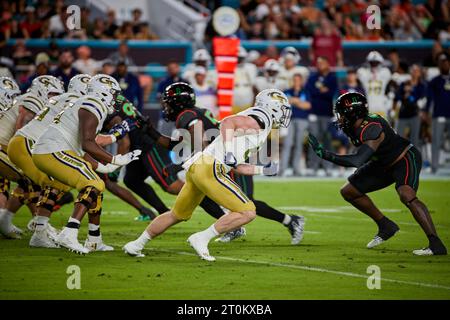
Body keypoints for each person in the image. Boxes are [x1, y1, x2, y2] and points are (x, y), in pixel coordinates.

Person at [123, 88, 299, 260]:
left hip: (199, 166)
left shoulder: (257, 120)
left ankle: (136, 244)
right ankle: (202, 237)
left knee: (176, 215)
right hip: (210, 168)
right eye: (282, 109)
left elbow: (237, 166)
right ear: (272, 107)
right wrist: (229, 152)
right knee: (248, 212)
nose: (284, 114)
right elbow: (229, 122)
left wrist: (263, 170)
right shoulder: (262, 118)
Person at [308, 92, 447, 256]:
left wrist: (325, 155)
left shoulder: (371, 128)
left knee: (406, 194)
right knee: (349, 191)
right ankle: (385, 225)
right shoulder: (354, 125)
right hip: (382, 162)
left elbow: (356, 160)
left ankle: (436, 244)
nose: (339, 119)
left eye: (342, 114)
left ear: (353, 113)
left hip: (404, 158)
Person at [32, 74, 141, 254]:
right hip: (53, 150)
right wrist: (114, 159)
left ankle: (91, 238)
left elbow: (83, 151)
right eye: (113, 94)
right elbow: (88, 143)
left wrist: (107, 167)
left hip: (50, 150)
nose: (115, 99)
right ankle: (69, 233)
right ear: (104, 92)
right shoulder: (94, 103)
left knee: (92, 181)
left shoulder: (83, 102)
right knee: (94, 184)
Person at [305, 56, 338, 174]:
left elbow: (331, 93)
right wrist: (322, 91)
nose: (319, 65)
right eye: (318, 63)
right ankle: (312, 167)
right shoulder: (313, 77)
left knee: (327, 140)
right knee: (314, 140)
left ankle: (328, 167)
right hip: (314, 113)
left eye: (322, 63)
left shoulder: (332, 78)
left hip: (327, 114)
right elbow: (309, 91)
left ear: (327, 64)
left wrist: (320, 92)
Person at [280, 73, 311, 176]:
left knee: (299, 144)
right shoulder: (287, 91)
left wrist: (294, 101)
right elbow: (283, 104)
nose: (296, 82)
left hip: (302, 120)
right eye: (294, 80)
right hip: (289, 120)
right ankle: (282, 169)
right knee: (287, 144)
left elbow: (307, 106)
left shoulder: (305, 91)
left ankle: (296, 169)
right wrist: (299, 102)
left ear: (301, 81)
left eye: (298, 80)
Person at [425, 52, 450, 174]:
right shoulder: (434, 81)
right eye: (442, 63)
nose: (444, 64)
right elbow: (429, 99)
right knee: (436, 141)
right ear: (439, 65)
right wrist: (426, 112)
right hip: (439, 114)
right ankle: (434, 167)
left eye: (446, 62)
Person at [394, 65, 426, 148]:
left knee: (414, 139)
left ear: (419, 73)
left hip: (415, 114)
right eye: (413, 71)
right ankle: (399, 158)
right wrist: (404, 95)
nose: (415, 73)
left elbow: (421, 98)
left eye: (417, 71)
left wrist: (412, 92)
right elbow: (397, 96)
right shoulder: (404, 84)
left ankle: (413, 158)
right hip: (403, 114)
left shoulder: (421, 85)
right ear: (410, 72)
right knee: (399, 138)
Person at [357, 51, 392, 117]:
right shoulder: (363, 73)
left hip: (381, 107)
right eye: (372, 63)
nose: (374, 65)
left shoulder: (385, 72)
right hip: (369, 108)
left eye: (376, 63)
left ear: (380, 63)